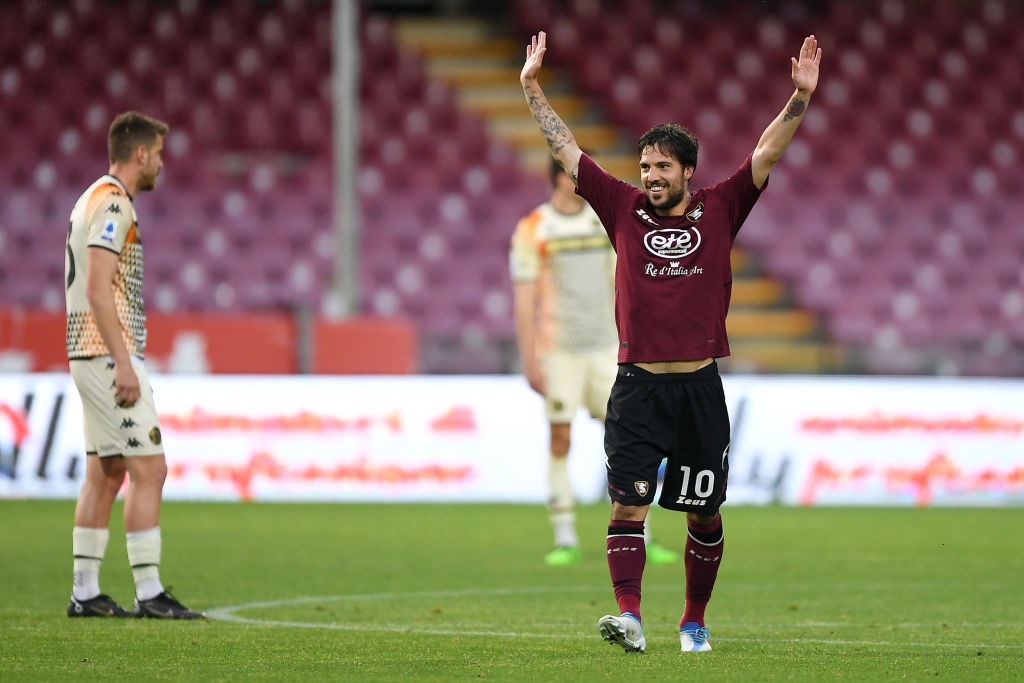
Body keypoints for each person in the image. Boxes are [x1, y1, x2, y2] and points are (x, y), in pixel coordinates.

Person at [520, 31, 821, 652]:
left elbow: (766, 152)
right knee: (628, 507)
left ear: (687, 170)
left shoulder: (721, 207)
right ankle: (629, 616)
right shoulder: (621, 207)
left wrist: (799, 98)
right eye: (646, 167)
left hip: (699, 387)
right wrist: (530, 87)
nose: (651, 177)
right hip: (636, 386)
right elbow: (568, 149)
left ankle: (693, 621)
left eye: (662, 167)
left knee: (703, 513)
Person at [64, 111, 204, 619]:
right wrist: (123, 363)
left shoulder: (88, 197)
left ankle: (86, 592)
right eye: (160, 154)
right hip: (105, 353)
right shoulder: (114, 203)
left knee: (106, 471)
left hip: (86, 350)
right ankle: (150, 593)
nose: (162, 164)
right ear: (140, 153)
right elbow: (99, 286)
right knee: (151, 468)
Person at [510, 158, 680, 567]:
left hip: (606, 350)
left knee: (629, 443)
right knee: (560, 439)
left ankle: (643, 534)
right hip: (560, 351)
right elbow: (524, 299)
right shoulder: (534, 228)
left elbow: (623, 282)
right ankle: (565, 538)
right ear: (558, 179)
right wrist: (530, 358)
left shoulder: (602, 223)